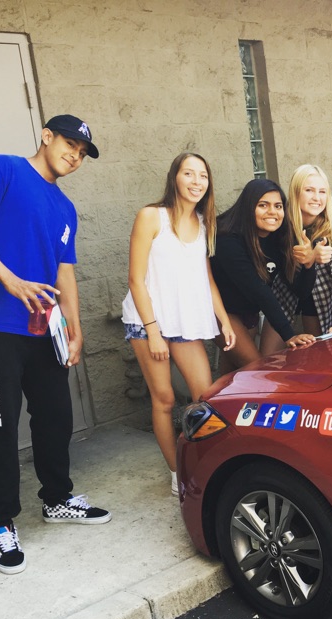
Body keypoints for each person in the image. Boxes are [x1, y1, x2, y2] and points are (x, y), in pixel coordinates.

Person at [0, 114, 110, 575]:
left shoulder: (64, 208)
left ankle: (56, 499)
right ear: (46, 136)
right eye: (69, 144)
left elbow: (64, 271)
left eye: (82, 152)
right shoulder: (3, 170)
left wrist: (75, 326)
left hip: (44, 330)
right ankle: (0, 522)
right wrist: (10, 281)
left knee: (55, 417)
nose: (74, 155)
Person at [122, 152, 234, 497]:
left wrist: (225, 321)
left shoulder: (203, 223)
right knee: (165, 399)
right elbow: (136, 280)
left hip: (185, 322)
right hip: (147, 322)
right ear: (175, 178)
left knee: (205, 397)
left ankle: (208, 466)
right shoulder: (151, 217)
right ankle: (177, 473)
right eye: (189, 173)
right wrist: (153, 331)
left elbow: (207, 279)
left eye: (203, 175)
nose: (197, 181)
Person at [211, 179, 316, 367]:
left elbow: (300, 291)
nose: (272, 212)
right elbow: (257, 290)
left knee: (235, 375)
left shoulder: (277, 238)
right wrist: (289, 334)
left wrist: (309, 264)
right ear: (248, 207)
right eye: (263, 205)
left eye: (278, 206)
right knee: (258, 367)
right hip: (221, 313)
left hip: (248, 313)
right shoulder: (228, 239)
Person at [277, 164, 332, 336]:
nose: (316, 198)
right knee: (270, 354)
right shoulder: (284, 220)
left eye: (322, 191)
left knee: (318, 351)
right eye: (309, 190)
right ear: (296, 192)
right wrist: (308, 257)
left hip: (320, 297)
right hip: (285, 296)